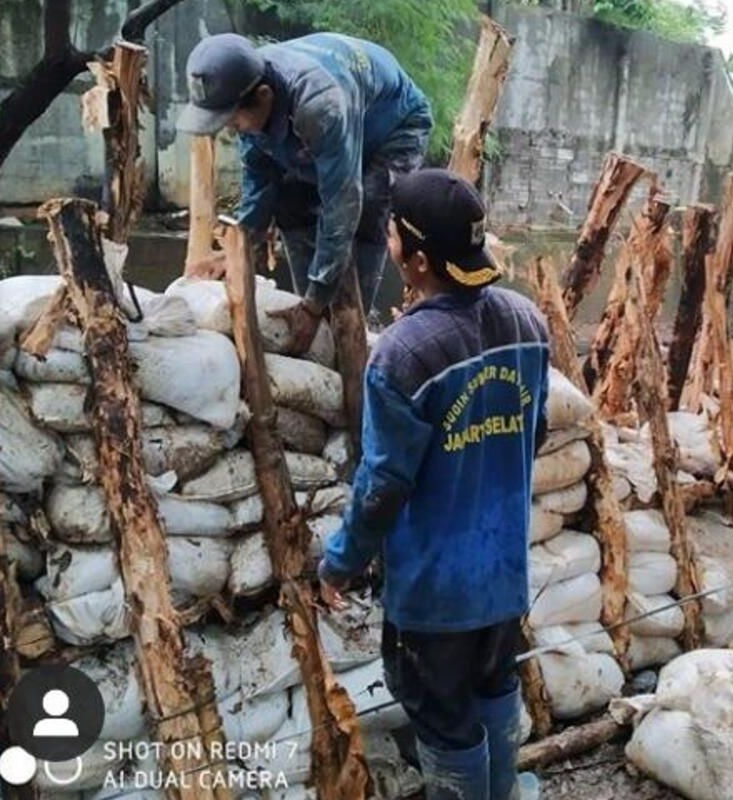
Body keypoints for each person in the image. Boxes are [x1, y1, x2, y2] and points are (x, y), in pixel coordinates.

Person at [317, 169, 549, 800]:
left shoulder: (402, 354)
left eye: (391, 232)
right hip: (504, 574)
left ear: (415, 259)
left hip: (435, 590)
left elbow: (384, 484)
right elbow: (538, 431)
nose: (386, 240)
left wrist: (340, 563)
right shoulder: (528, 323)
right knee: (495, 688)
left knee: (444, 722)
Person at [177, 32, 433, 351]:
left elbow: (341, 204)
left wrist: (315, 303)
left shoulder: (318, 103)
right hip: (336, 129)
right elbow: (260, 178)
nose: (231, 128)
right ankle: (310, 305)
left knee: (367, 204)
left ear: (265, 95)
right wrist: (241, 244)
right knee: (290, 200)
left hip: (392, 128)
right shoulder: (246, 88)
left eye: (232, 120)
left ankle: (350, 322)